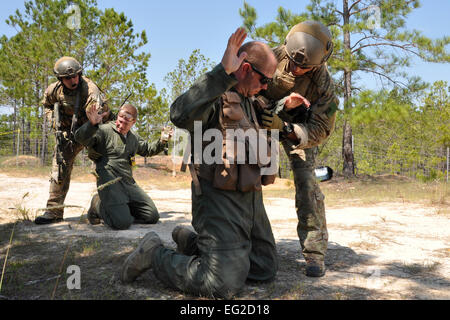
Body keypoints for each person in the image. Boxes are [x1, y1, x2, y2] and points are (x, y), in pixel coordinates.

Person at [120, 28, 280, 298]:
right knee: (222, 284)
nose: (266, 87)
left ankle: (194, 244)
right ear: (245, 69)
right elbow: (179, 113)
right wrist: (221, 73)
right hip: (218, 199)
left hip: (251, 201)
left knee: (264, 268)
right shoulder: (216, 97)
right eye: (264, 80)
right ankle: (154, 254)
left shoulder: (252, 103)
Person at [259, 21, 339, 277]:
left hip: (296, 131)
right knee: (246, 174)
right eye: (293, 62)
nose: (296, 68)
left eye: (303, 67)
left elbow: (321, 129)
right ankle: (242, 239)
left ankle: (314, 253)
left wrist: (287, 128)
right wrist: (276, 106)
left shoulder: (326, 88)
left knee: (307, 182)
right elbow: (249, 90)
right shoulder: (271, 57)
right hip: (262, 119)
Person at [35, 57, 113, 225]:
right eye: (68, 78)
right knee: (59, 169)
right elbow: (47, 105)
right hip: (70, 134)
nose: (73, 80)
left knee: (105, 169)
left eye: (76, 76)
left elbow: (97, 116)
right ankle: (54, 212)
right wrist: (54, 122)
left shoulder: (90, 89)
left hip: (94, 130)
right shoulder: (53, 90)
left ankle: (107, 209)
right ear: (60, 79)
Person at [74, 104, 172, 230]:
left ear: (133, 122)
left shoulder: (133, 137)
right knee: (122, 223)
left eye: (125, 123)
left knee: (151, 216)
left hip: (128, 183)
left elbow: (147, 149)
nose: (120, 125)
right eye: (119, 121)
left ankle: (120, 208)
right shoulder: (104, 130)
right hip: (109, 182)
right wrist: (91, 125)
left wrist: (162, 141)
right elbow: (80, 138)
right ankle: (97, 204)